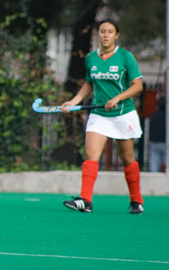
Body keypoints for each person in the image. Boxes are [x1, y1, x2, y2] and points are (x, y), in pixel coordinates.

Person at [61, 19, 144, 214]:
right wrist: (74, 101)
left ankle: (136, 200)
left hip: (123, 114)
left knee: (127, 158)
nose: (105, 35)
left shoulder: (125, 57)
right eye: (102, 31)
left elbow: (137, 85)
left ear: (116, 35)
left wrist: (117, 98)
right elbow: (89, 83)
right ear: (98, 34)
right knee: (91, 155)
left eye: (110, 32)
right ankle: (85, 200)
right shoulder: (91, 58)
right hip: (99, 114)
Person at [149, 98, 166, 173]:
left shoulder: (153, 116)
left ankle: (153, 180)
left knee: (154, 164)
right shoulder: (167, 117)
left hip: (155, 142)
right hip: (166, 143)